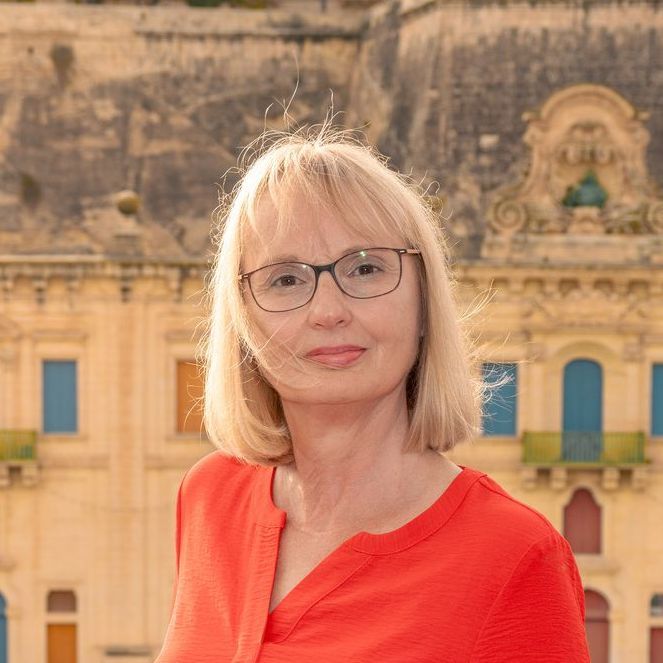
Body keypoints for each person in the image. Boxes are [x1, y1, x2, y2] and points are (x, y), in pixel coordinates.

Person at [154, 125, 591, 662]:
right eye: (285, 279)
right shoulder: (210, 496)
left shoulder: (513, 555)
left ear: (423, 301)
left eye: (365, 268)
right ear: (242, 319)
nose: (328, 310)